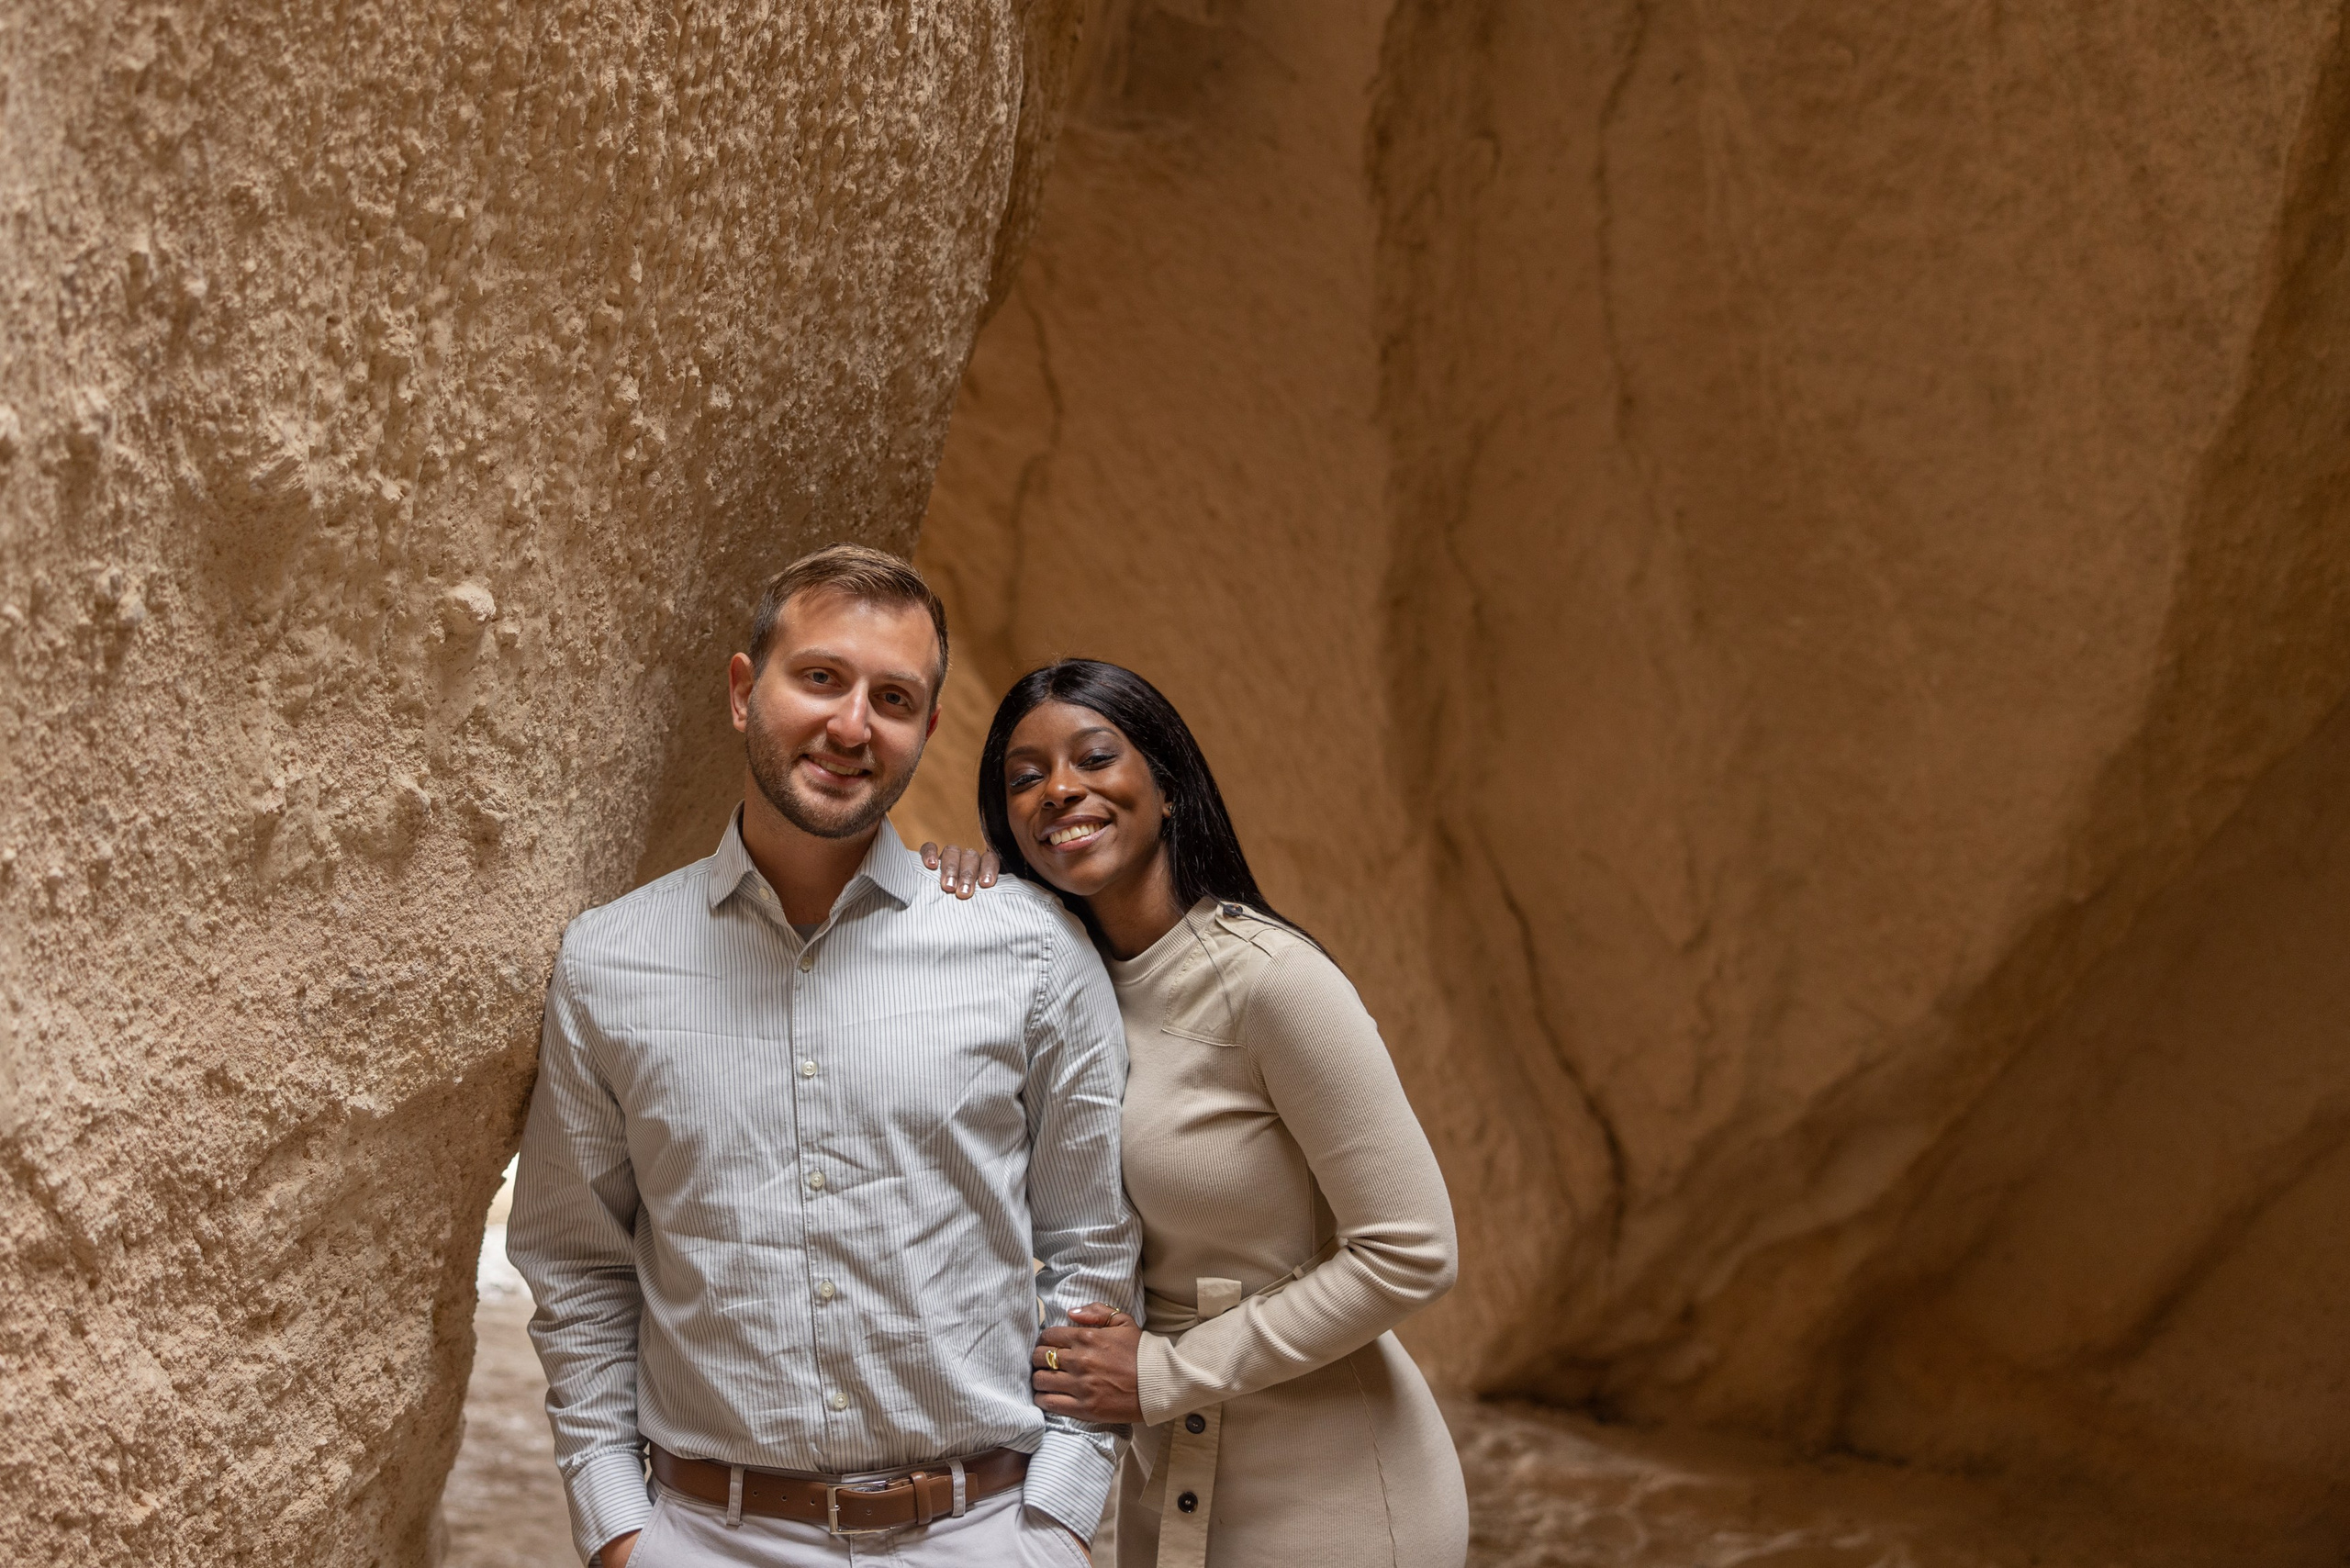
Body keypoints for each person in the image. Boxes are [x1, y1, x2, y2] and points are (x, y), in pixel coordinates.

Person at [509, 545, 1138, 1568]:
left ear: (927, 731)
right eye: (821, 678)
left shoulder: (1024, 951)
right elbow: (577, 1265)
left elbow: (1092, 1251)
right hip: (704, 1537)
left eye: (893, 697)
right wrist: (619, 1531)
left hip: (981, 1536)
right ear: (742, 691)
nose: (853, 725)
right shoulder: (609, 961)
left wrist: (1057, 1525)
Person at [923, 658, 1469, 1568]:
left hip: (1335, 1502)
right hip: (1167, 1492)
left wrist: (1160, 1374)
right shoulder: (1051, 988)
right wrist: (954, 913)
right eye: (1024, 777)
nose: (1060, 789)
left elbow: (1413, 1249)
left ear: (1167, 786)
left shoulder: (1269, 983)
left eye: (1094, 758)